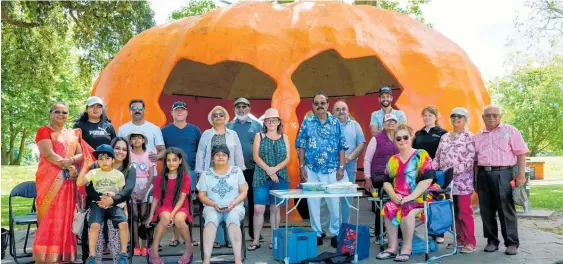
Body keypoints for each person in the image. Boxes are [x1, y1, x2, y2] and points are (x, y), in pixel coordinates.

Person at [375, 124, 441, 262]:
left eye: (405, 137)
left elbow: (427, 180)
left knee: (407, 211)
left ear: (411, 137)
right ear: (395, 141)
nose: (402, 140)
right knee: (388, 208)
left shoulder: (421, 155)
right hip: (399, 196)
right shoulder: (392, 160)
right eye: (398, 138)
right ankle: (392, 247)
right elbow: (385, 181)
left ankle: (406, 248)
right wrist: (393, 195)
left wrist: (410, 197)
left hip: (420, 197)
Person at [33, 102, 85, 263]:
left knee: (66, 216)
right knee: (49, 215)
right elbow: (48, 154)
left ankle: (63, 254)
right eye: (57, 111)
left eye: (64, 112)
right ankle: (46, 255)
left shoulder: (72, 134)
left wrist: (70, 162)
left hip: (68, 183)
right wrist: (69, 167)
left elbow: (80, 154)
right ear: (50, 113)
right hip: (49, 180)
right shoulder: (44, 131)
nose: (61, 114)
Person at [296, 92, 349, 246]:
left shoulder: (335, 122)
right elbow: (301, 145)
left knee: (333, 202)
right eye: (316, 103)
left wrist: (341, 167)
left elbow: (341, 146)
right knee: (314, 202)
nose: (319, 106)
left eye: (322, 103)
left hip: (332, 169)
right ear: (312, 106)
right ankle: (317, 233)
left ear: (327, 105)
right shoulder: (307, 122)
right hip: (311, 169)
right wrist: (301, 166)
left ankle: (335, 233)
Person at [474, 105, 528, 255]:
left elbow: (521, 153)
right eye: (488, 115)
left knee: (506, 210)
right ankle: (491, 241)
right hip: (483, 175)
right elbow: (475, 161)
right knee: (486, 210)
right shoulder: (478, 136)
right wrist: (475, 180)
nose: (492, 117)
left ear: (500, 116)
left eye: (495, 115)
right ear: (483, 117)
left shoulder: (510, 131)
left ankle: (512, 243)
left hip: (503, 173)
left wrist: (521, 174)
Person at [196, 106, 245, 248]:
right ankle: (217, 239)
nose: (218, 117)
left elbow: (238, 153)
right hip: (211, 175)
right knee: (214, 204)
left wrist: (240, 171)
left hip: (230, 175)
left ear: (226, 117)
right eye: (215, 115)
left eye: (221, 115)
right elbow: (200, 153)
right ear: (212, 118)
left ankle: (231, 239)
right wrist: (200, 173)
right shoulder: (206, 134)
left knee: (230, 203)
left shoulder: (233, 134)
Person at [82, 137, 137, 263]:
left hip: (118, 205)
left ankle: (120, 259)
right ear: (112, 149)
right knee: (97, 226)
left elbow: (127, 191)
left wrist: (112, 201)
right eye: (117, 148)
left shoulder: (129, 169)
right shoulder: (96, 166)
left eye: (124, 149)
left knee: (115, 226)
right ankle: (94, 258)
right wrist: (101, 200)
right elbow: (89, 188)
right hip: (97, 203)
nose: (120, 152)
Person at [432, 107, 476, 253]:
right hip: (446, 182)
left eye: (460, 116)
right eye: (453, 116)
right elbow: (437, 157)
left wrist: (451, 172)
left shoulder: (470, 137)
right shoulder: (445, 136)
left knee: (464, 211)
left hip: (462, 181)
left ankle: (470, 241)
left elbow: (469, 160)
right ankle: (459, 238)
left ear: (466, 119)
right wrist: (431, 171)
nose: (456, 119)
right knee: (452, 210)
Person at [247, 108, 290, 251]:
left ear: (279, 122)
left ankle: (274, 240)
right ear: (264, 122)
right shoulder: (259, 136)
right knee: (258, 208)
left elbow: (288, 158)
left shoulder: (285, 137)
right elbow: (255, 156)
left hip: (280, 176)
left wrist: (275, 169)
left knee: (275, 209)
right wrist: (269, 170)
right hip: (261, 176)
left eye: (274, 120)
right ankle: (256, 240)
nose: (271, 122)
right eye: (268, 120)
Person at [319, 100, 365, 234]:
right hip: (330, 169)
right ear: (333, 112)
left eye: (344, 109)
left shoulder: (355, 125)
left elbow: (361, 143)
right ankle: (324, 230)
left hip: (349, 168)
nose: (341, 112)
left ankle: (343, 230)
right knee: (326, 200)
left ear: (348, 111)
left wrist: (349, 157)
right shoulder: (326, 125)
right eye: (338, 109)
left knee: (346, 200)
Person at [197, 144, 248, 264]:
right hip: (212, 206)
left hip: (234, 206)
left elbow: (244, 191)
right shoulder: (206, 174)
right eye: (217, 155)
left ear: (228, 157)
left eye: (223, 155)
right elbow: (202, 195)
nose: (220, 157)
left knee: (233, 218)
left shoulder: (236, 171)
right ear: (212, 158)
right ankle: (206, 260)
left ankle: (238, 260)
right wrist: (214, 204)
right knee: (210, 219)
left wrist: (234, 203)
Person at [161, 101, 202, 247]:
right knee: (173, 204)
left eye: (182, 110)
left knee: (189, 206)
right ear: (171, 113)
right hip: (171, 173)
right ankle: (175, 236)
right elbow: (161, 151)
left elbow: (200, 151)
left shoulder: (195, 130)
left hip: (190, 172)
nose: (179, 112)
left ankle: (189, 238)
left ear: (186, 112)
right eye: (176, 110)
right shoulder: (164, 131)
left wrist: (199, 172)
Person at [145, 147, 194, 264]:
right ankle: (154, 250)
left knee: (179, 219)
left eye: (174, 160)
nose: (171, 163)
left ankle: (188, 249)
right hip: (165, 206)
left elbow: (182, 198)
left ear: (180, 161)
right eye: (168, 160)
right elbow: (156, 197)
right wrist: (151, 215)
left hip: (181, 207)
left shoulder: (185, 177)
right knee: (165, 218)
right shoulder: (161, 178)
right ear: (165, 162)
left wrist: (173, 214)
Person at [226, 98, 262, 241]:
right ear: (235, 109)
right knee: (234, 203)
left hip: (253, 170)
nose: (241, 109)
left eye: (244, 106)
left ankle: (254, 235)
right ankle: (235, 235)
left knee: (253, 202)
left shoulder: (257, 126)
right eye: (238, 107)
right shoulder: (229, 126)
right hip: (234, 171)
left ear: (249, 108)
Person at [412, 105, 447, 243]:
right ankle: (425, 228)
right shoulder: (418, 134)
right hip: (421, 172)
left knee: (437, 199)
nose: (427, 118)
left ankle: (439, 233)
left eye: (430, 115)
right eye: (425, 115)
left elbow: (445, 153)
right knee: (423, 200)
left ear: (436, 117)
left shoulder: (443, 133)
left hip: (437, 172)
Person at [363, 114, 399, 239]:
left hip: (397, 178)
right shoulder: (376, 139)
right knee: (382, 204)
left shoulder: (400, 139)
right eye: (387, 121)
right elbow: (367, 160)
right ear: (383, 124)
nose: (390, 123)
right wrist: (367, 178)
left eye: (393, 121)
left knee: (398, 202)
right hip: (379, 177)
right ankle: (380, 234)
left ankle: (397, 233)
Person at [117, 99, 165, 170]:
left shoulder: (155, 128)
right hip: (127, 171)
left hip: (149, 173)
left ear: (144, 110)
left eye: (140, 108)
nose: (137, 111)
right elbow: (117, 150)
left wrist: (157, 156)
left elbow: (163, 150)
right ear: (130, 111)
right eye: (134, 108)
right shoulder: (122, 129)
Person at [128, 131, 155, 256]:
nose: (137, 140)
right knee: (134, 216)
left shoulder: (148, 154)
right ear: (130, 141)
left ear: (143, 140)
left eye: (139, 138)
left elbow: (150, 175)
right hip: (132, 184)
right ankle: (136, 246)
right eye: (133, 138)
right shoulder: (128, 155)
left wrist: (144, 191)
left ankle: (144, 245)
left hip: (145, 185)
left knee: (144, 215)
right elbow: (127, 173)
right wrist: (132, 192)